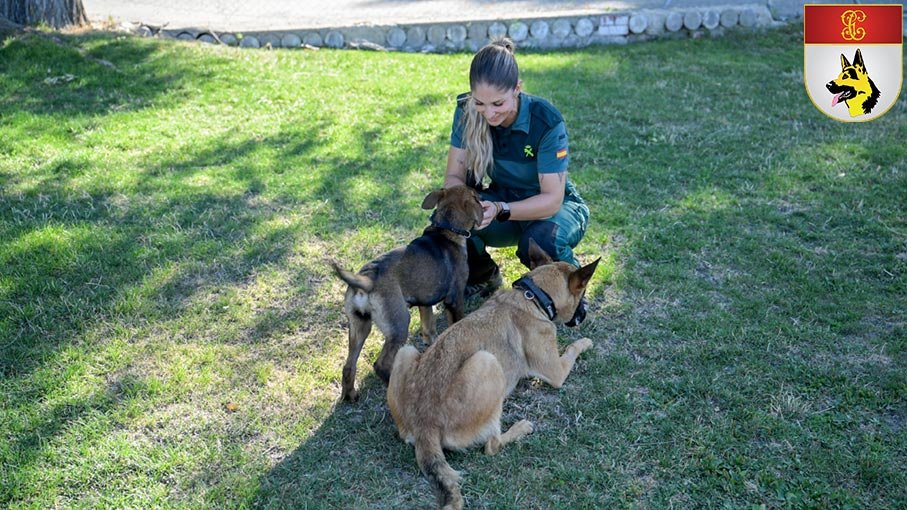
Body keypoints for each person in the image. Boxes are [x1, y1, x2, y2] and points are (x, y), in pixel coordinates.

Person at [443, 37, 590, 324]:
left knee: (539, 240)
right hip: (503, 198)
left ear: (518, 89)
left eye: (498, 103)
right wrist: (466, 206)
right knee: (452, 219)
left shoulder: (545, 120)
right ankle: (483, 275)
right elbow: (454, 177)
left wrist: (500, 209)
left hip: (555, 208)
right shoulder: (465, 111)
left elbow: (551, 199)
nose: (489, 112)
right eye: (480, 103)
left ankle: (573, 297)